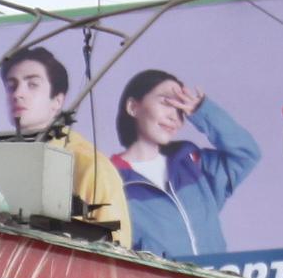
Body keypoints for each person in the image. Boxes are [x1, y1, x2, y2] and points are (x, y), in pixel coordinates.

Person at [108, 68, 260, 259]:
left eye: (181, 110)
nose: (175, 117)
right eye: (166, 102)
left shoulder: (194, 165)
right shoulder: (109, 180)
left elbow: (246, 153)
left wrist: (202, 111)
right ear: (133, 107)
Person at [0, 45, 125, 235]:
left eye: (32, 84)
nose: (17, 94)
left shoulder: (89, 166)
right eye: (11, 86)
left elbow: (116, 249)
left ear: (57, 100)